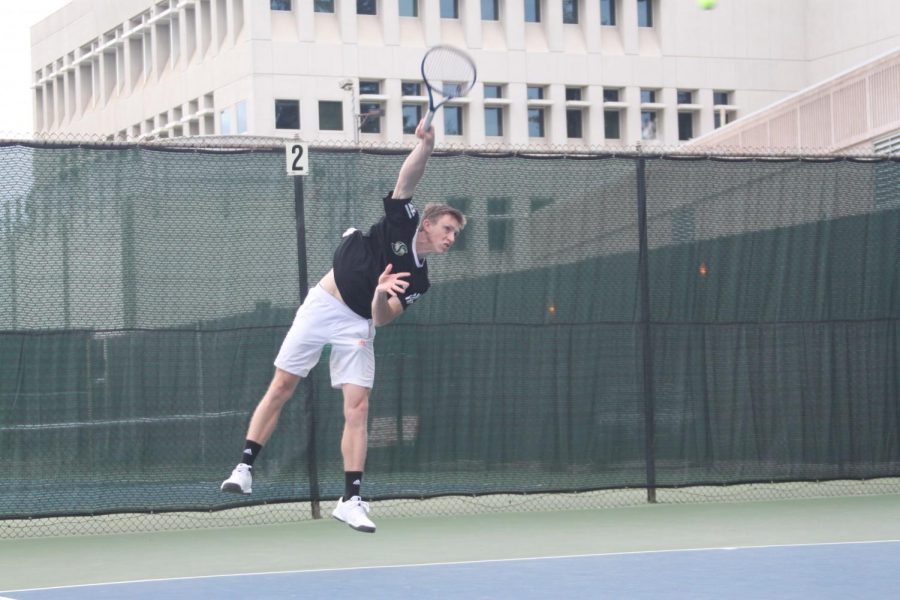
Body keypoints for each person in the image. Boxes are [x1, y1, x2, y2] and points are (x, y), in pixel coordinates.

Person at [220, 119, 465, 533]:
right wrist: (425, 146)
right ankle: (244, 468)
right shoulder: (403, 222)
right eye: (448, 229)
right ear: (427, 223)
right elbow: (408, 177)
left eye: (456, 234)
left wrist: (377, 294)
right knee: (281, 386)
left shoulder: (420, 280)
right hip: (323, 304)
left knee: (359, 406)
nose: (451, 238)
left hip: (357, 321)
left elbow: (383, 318)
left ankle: (351, 499)